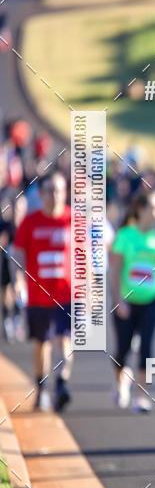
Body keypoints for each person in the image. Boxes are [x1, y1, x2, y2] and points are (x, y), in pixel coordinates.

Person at [109, 191, 155, 413]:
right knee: (122, 350)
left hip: (151, 302)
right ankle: (120, 381)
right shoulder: (125, 235)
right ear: (141, 210)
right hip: (126, 302)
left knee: (146, 347)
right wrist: (119, 301)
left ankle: (141, 395)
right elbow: (115, 270)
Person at [12, 171, 73, 411]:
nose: (55, 195)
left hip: (66, 294)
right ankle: (41, 388)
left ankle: (62, 385)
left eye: (59, 190)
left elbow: (86, 258)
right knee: (42, 344)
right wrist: (18, 280)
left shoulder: (73, 220)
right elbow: (17, 254)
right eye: (50, 191)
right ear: (41, 194)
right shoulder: (30, 221)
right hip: (38, 296)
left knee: (64, 340)